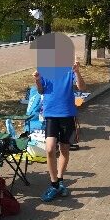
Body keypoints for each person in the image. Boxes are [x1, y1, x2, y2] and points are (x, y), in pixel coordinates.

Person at [32, 33, 86, 202]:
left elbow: (81, 87)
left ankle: (60, 180)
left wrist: (77, 72)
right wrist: (37, 80)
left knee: (64, 149)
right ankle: (53, 183)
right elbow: (41, 90)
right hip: (51, 114)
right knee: (49, 149)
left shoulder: (69, 69)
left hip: (67, 114)